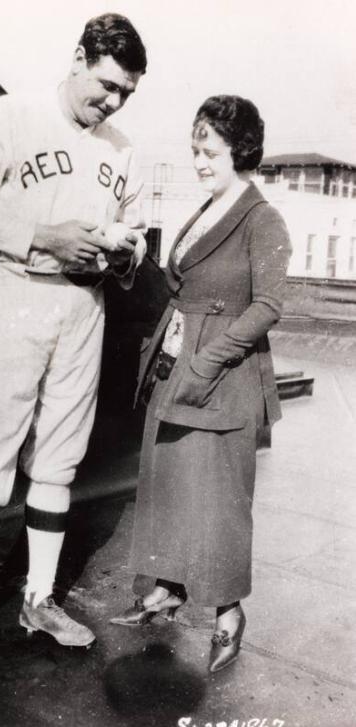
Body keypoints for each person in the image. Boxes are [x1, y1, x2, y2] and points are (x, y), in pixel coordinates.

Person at [0, 13, 147, 686]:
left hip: (83, 306)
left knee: (58, 461)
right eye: (106, 86)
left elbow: (136, 235)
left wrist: (118, 252)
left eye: (125, 95)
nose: (111, 102)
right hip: (11, 293)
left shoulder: (121, 148)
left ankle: (38, 600)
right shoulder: (11, 116)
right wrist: (45, 236)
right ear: (79, 57)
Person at [110, 95, 291, 673]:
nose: (198, 162)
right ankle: (166, 589)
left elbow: (267, 307)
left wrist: (208, 359)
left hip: (222, 375)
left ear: (239, 150)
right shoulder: (207, 208)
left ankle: (229, 615)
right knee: (166, 480)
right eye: (194, 150)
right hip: (175, 361)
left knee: (219, 503)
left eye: (208, 151)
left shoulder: (263, 219)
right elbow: (176, 280)